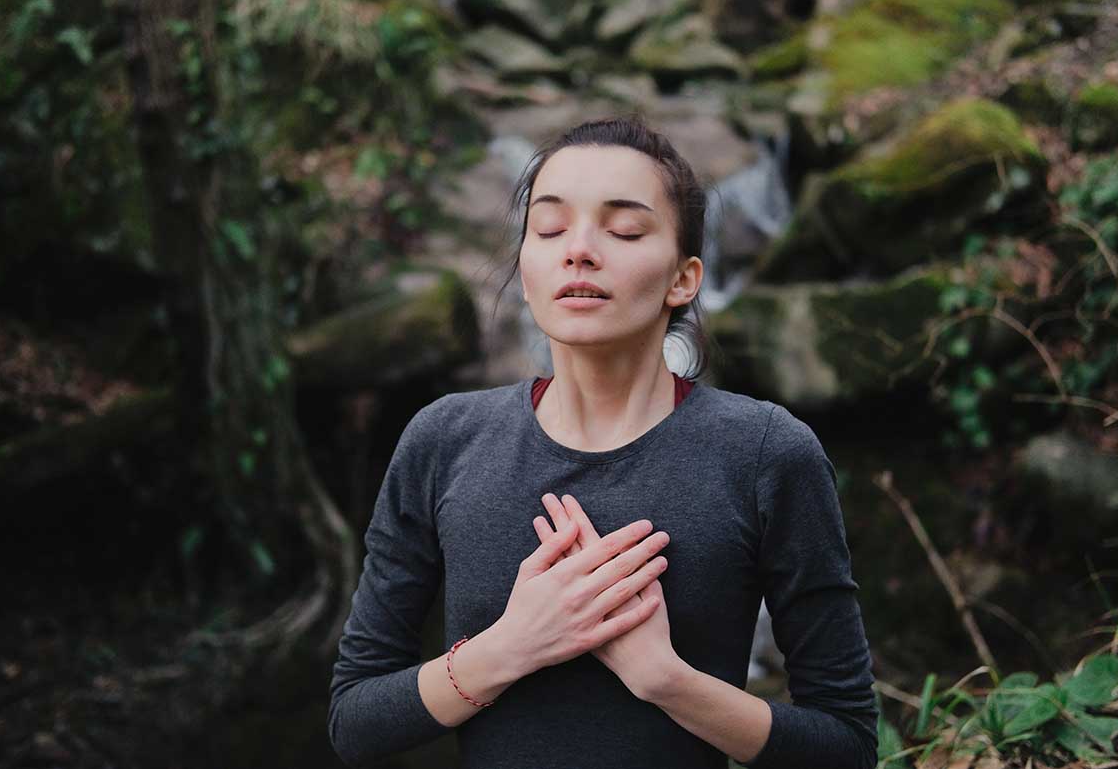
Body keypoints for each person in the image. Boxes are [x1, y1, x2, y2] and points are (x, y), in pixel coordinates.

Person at [327, 114, 879, 769]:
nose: (579, 249)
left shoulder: (765, 454)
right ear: (527, 269)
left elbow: (846, 746)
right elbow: (355, 721)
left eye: (624, 230)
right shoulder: (444, 440)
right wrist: (510, 647)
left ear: (684, 278)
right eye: (551, 228)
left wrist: (666, 682)